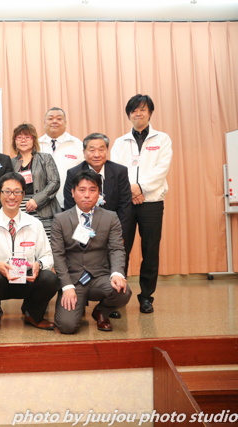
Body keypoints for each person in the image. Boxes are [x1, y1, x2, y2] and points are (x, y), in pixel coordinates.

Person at [0, 172, 57, 333]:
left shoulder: (35, 224)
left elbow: (48, 255)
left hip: (28, 279)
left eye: (17, 192)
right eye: (7, 191)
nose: (12, 196)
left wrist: (39, 264)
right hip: (0, 280)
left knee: (50, 278)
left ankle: (33, 314)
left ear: (23, 195)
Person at [110, 94, 173, 314]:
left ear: (150, 112)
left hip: (152, 202)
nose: (138, 113)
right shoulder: (120, 142)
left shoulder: (162, 139)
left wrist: (140, 188)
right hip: (125, 204)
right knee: (121, 250)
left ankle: (146, 297)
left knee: (150, 251)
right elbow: (115, 170)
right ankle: (117, 297)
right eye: (134, 110)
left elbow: (161, 169)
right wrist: (131, 191)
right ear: (129, 114)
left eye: (143, 109)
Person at [51, 170, 131, 334]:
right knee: (67, 326)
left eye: (92, 190)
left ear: (99, 193)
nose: (87, 195)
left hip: (99, 277)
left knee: (123, 291)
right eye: (82, 190)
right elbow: (58, 255)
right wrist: (67, 286)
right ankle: (77, 306)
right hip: (73, 280)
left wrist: (117, 273)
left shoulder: (111, 217)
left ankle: (101, 311)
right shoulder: (60, 219)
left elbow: (116, 248)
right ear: (73, 192)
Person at [10, 123, 61, 241]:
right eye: (19, 137)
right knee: (25, 244)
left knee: (46, 243)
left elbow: (54, 182)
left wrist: (37, 200)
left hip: (44, 209)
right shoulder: (11, 162)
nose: (23, 140)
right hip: (20, 211)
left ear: (33, 140)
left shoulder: (45, 158)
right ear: (15, 141)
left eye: (27, 137)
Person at [38, 108, 84, 208]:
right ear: (44, 123)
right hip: (40, 205)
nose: (54, 121)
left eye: (59, 119)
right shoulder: (35, 145)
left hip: (70, 204)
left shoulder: (77, 144)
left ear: (65, 122)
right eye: (50, 118)